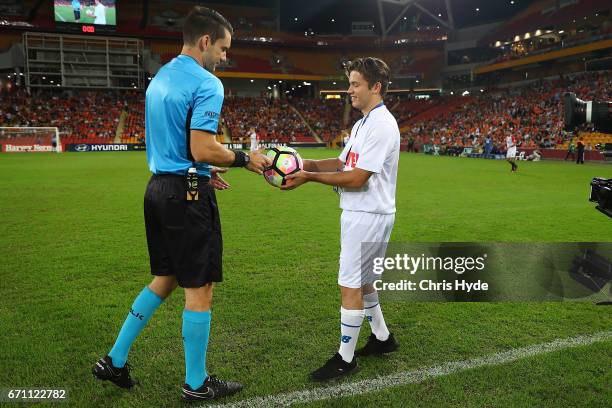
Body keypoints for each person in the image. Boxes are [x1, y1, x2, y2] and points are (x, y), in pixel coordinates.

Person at [91, 6, 271, 402]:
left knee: (165, 278)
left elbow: (183, 149)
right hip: (186, 197)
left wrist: (203, 170)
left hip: (158, 189)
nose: (225, 57)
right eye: (223, 49)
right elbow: (201, 145)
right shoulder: (207, 83)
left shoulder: (160, 79)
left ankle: (115, 359)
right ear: (205, 42)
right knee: (199, 286)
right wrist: (246, 159)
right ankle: (196, 383)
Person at [282, 57, 400, 381]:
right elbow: (341, 162)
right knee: (364, 283)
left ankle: (345, 359)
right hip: (366, 213)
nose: (349, 90)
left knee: (349, 285)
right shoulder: (363, 123)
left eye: (355, 84)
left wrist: (307, 177)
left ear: (375, 87)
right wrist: (300, 163)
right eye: (349, 83)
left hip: (367, 214)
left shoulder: (381, 125)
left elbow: (358, 177)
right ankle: (383, 338)